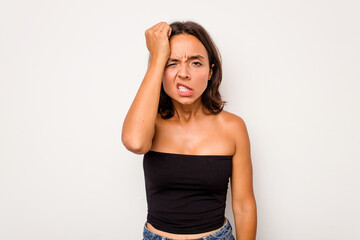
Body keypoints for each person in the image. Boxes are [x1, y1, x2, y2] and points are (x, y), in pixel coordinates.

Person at [122, 21, 257, 240]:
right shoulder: (149, 124)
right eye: (171, 63)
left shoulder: (233, 127)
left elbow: (244, 205)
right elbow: (135, 143)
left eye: (195, 63)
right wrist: (157, 58)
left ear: (210, 71)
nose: (184, 73)